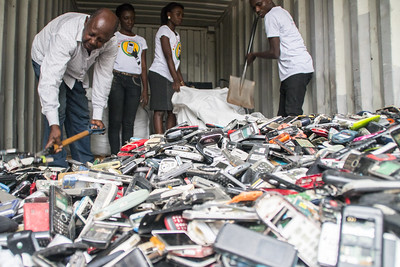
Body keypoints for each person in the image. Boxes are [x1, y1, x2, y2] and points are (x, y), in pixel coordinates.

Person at [31, 8, 119, 167]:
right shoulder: (66, 34)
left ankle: (84, 163)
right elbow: (51, 80)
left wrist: (97, 115)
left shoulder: (111, 43)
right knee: (59, 109)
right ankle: (55, 166)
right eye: (91, 35)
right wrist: (54, 124)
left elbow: (103, 77)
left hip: (75, 69)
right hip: (46, 57)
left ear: (109, 38)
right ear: (86, 22)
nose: (93, 42)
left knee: (80, 113)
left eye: (100, 40)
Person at [247, 0, 314, 117]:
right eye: (254, 8)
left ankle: (299, 135)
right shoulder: (282, 12)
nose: (257, 10)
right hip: (295, 69)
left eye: (259, 4)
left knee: (292, 116)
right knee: (282, 117)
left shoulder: (270, 16)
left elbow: (275, 53)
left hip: (295, 68)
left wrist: (254, 54)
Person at [108, 3, 149, 155]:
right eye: (126, 18)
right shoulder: (114, 37)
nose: (130, 22)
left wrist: (145, 90)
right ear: (119, 19)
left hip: (134, 82)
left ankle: (126, 156)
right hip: (117, 79)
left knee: (128, 122)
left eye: (132, 18)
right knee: (115, 121)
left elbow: (143, 66)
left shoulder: (141, 40)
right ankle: (114, 155)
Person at [149, 2, 185, 134]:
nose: (180, 17)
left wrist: (181, 81)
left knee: (172, 110)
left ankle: (169, 139)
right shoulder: (164, 30)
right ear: (169, 15)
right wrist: (176, 80)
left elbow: (176, 61)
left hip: (170, 75)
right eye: (178, 14)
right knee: (160, 110)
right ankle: (159, 140)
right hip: (159, 74)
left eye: (182, 15)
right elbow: (168, 56)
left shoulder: (176, 35)